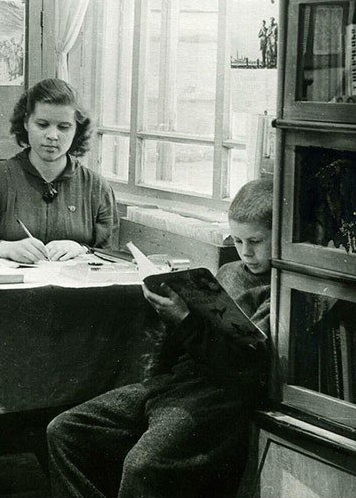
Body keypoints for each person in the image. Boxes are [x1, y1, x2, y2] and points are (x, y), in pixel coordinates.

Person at [46, 177, 274, 498]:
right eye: (237, 241)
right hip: (175, 384)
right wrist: (173, 310)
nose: (246, 252)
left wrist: (183, 319)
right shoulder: (229, 272)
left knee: (142, 467)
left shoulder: (279, 292)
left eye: (256, 241)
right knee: (66, 431)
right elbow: (188, 344)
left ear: (280, 237)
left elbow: (242, 366)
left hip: (218, 399)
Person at [0, 77, 118, 263]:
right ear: (26, 122)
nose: (52, 136)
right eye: (42, 125)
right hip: (11, 290)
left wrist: (82, 249)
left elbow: (113, 255)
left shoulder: (97, 188)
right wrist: (2, 247)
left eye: (64, 127)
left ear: (77, 130)